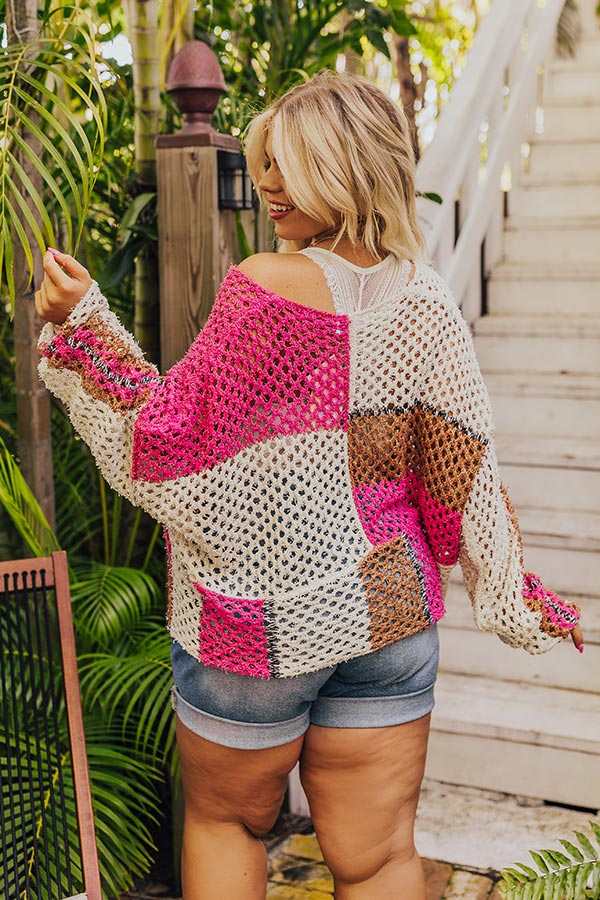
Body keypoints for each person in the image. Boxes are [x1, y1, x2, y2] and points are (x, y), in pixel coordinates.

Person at [35, 72, 583, 900]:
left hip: (256, 628)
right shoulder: (427, 301)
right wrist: (513, 589)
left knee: (227, 825)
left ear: (347, 166)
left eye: (287, 164)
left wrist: (83, 323)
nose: (267, 184)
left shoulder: (266, 287)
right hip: (390, 619)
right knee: (381, 856)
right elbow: (463, 471)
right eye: (263, 164)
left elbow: (168, 444)